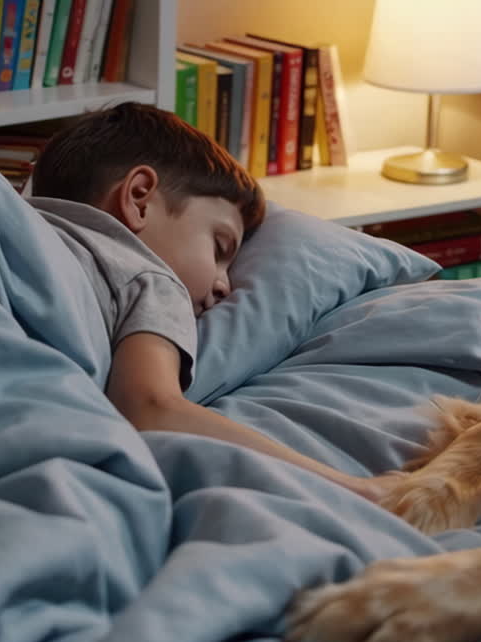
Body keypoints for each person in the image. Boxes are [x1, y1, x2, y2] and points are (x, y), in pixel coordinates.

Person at [27, 103, 396, 502]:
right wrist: (361, 489)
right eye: (220, 248)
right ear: (138, 199)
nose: (224, 286)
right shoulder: (146, 273)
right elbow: (151, 409)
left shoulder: (24, 223)